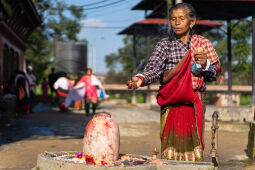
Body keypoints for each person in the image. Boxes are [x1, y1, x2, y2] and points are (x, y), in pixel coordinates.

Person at [127, 3, 221, 162]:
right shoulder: (165, 45)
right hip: (171, 101)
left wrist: (205, 64)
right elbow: (153, 68)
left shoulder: (202, 44)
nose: (176, 22)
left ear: (191, 22)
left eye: (181, 19)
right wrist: (140, 79)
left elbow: (214, 74)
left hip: (194, 102)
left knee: (194, 144)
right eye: (173, 19)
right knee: (170, 145)